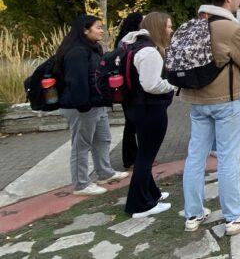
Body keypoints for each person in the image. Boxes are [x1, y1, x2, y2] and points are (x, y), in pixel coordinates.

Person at [181, 0, 240, 236]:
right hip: (225, 101)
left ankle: (193, 213)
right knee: (227, 158)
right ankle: (234, 216)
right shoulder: (229, 28)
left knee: (195, 156)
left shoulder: (194, 24)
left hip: (196, 101)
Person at [56, 14, 129, 196]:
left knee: (102, 139)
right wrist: (84, 106)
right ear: (85, 30)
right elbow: (77, 82)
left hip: (97, 104)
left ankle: (105, 172)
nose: (102, 30)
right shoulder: (77, 52)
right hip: (81, 107)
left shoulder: (93, 48)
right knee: (81, 146)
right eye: (98, 27)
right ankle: (81, 184)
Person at [120, 12, 176, 218]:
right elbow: (151, 84)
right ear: (159, 27)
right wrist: (172, 85)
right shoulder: (150, 51)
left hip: (135, 107)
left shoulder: (130, 45)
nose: (170, 30)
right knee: (145, 157)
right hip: (150, 109)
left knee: (144, 152)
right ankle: (140, 204)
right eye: (168, 26)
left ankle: (152, 193)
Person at [116, 12, 144, 170]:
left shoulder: (123, 41)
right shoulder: (128, 42)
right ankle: (130, 159)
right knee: (132, 124)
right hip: (130, 88)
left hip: (129, 87)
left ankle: (136, 157)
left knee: (133, 123)